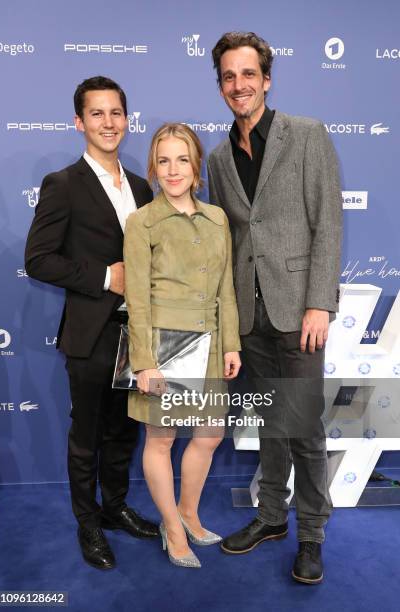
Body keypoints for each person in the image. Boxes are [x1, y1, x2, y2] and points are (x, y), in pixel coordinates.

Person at [207, 32, 342, 584]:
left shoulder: (306, 136)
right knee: (268, 423)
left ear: (266, 79)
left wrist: (319, 303)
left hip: (298, 313)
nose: (238, 85)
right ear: (221, 85)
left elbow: (328, 222)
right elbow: (231, 239)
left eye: (247, 74)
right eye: (228, 77)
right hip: (250, 315)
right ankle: (271, 517)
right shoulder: (217, 157)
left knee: (305, 428)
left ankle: (311, 534)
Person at [25, 76, 158, 571]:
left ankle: (115, 506)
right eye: (97, 114)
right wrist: (106, 276)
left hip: (139, 334)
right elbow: (38, 259)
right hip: (91, 332)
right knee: (86, 435)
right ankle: (88, 523)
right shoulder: (63, 184)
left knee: (124, 430)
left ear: (127, 119)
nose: (108, 122)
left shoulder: (143, 187)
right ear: (79, 122)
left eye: (116, 113)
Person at [124, 123, 241, 568]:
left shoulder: (217, 219)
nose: (173, 170)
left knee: (209, 435)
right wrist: (145, 362)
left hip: (211, 343)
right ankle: (171, 527)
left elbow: (226, 288)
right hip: (164, 346)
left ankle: (189, 513)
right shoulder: (142, 222)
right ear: (155, 167)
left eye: (182, 160)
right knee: (161, 440)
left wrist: (231, 344)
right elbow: (136, 298)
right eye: (164, 160)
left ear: (197, 167)